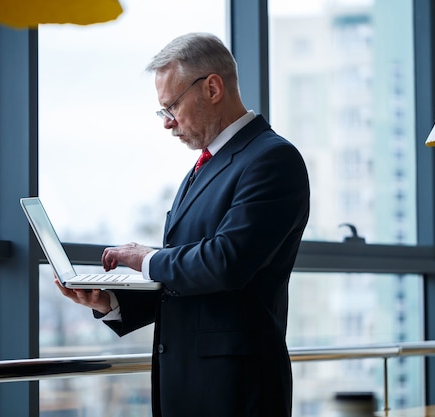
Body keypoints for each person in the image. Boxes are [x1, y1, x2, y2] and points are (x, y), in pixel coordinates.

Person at [55, 32, 310, 417]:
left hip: (237, 391)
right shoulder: (201, 168)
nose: (167, 123)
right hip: (186, 386)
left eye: (171, 106)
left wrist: (146, 259)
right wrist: (112, 303)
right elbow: (189, 283)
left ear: (212, 87)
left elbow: (226, 262)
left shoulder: (273, 160)